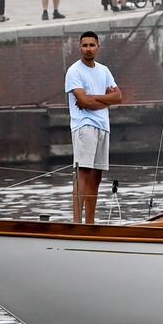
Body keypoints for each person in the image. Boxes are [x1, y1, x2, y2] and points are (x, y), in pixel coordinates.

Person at [65, 31, 122, 226]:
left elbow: (118, 97)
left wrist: (94, 100)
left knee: (96, 176)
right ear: (79, 47)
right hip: (85, 126)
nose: (88, 49)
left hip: (103, 127)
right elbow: (82, 101)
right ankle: (77, 222)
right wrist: (105, 100)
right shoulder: (74, 71)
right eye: (85, 45)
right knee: (83, 172)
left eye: (92, 45)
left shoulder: (104, 71)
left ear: (98, 47)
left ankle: (90, 222)